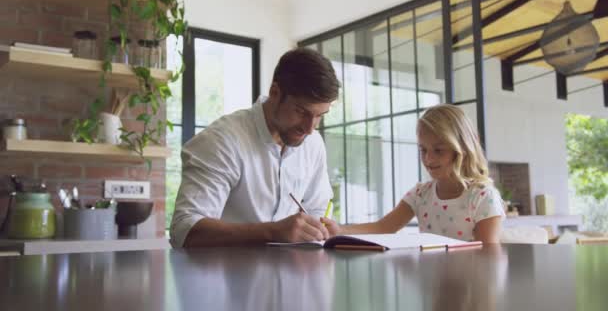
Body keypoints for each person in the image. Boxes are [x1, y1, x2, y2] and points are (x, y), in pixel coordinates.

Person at [170, 47, 341, 248]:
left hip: (293, 274)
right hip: (222, 276)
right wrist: (271, 231)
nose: (310, 128)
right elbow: (184, 230)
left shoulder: (313, 144)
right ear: (275, 93)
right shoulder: (222, 141)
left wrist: (321, 229)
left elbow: (316, 210)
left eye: (320, 115)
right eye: (301, 111)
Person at [322, 104, 505, 243]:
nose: (428, 159)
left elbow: (487, 255)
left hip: (470, 288)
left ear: (462, 149)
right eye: (423, 150)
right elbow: (384, 227)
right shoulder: (420, 194)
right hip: (432, 287)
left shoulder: (482, 197)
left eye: (439, 151)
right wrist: (339, 229)